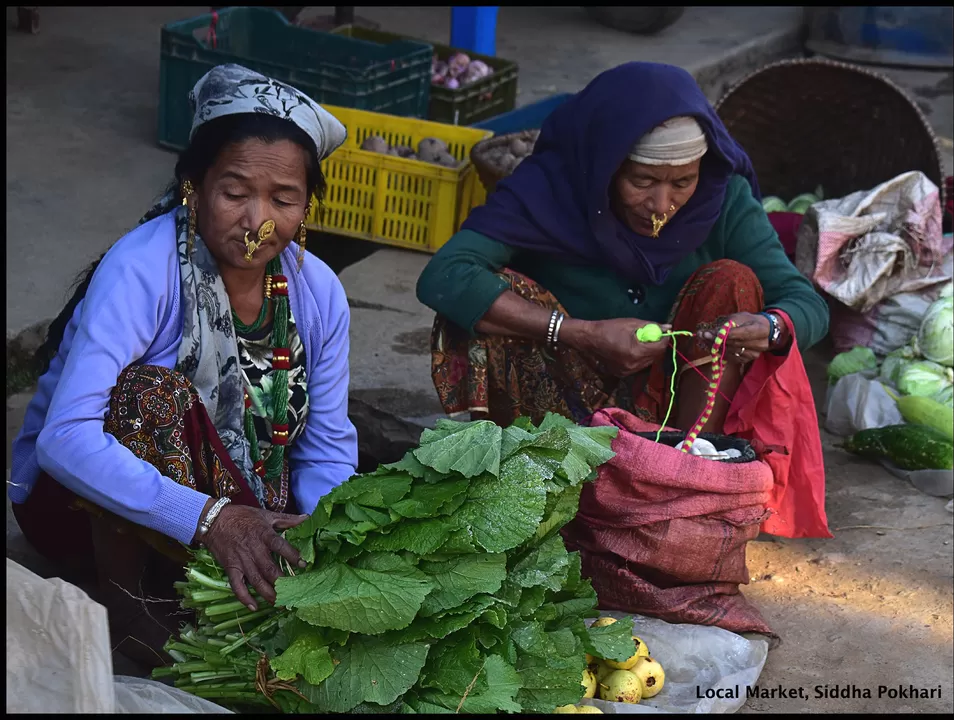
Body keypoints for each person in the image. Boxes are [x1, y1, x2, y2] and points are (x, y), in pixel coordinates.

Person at [8, 64, 358, 665]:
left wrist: (324, 541)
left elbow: (325, 446)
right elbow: (64, 438)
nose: (256, 222)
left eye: (283, 199)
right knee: (152, 395)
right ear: (194, 186)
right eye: (234, 192)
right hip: (77, 514)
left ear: (308, 207)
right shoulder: (141, 270)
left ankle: (225, 575)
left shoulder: (317, 291)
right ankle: (129, 615)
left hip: (239, 500)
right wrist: (214, 518)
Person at [417, 62, 831, 537]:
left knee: (731, 280)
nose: (662, 206)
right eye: (641, 181)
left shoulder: (722, 196)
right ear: (604, 164)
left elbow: (806, 303)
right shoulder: (550, 188)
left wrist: (770, 326)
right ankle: (534, 479)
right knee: (484, 301)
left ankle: (685, 481)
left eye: (681, 182)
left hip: (677, 408)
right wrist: (580, 333)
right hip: (564, 403)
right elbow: (445, 276)